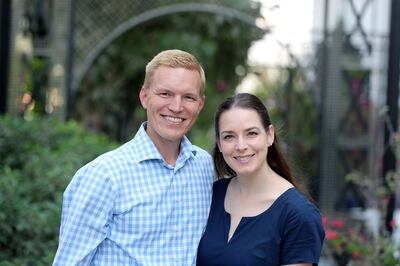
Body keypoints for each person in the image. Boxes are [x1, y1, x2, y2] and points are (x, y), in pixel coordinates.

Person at [53, 49, 214, 265]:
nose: (176, 107)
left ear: (200, 104)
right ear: (144, 97)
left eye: (188, 97)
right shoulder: (103, 175)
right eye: (165, 94)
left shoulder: (205, 167)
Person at [197, 93, 325, 266]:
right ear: (219, 144)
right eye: (229, 136)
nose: (241, 146)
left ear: (270, 135)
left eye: (251, 133)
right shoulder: (211, 195)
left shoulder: (298, 214)